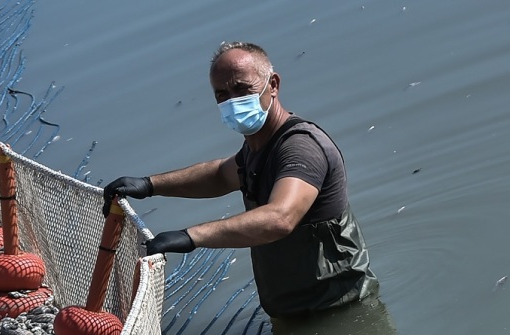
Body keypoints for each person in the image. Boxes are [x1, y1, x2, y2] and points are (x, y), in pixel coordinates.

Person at [102, 41, 378, 318]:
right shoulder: (257, 147)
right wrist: (149, 185)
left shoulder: (300, 148)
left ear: (273, 84)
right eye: (222, 94)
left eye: (242, 89)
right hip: (294, 309)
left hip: (344, 309)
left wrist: (190, 237)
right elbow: (220, 176)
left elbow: (279, 218)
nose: (232, 101)